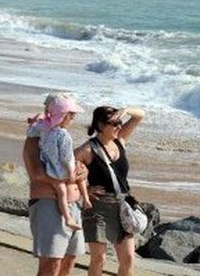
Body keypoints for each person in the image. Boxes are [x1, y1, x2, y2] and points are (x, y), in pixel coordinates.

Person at [74, 106, 145, 276]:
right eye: (114, 123)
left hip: (123, 206)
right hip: (99, 207)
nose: (119, 126)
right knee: (99, 259)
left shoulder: (120, 140)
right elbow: (63, 172)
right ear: (100, 125)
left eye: (120, 123)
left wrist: (126, 110)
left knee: (128, 258)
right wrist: (85, 189)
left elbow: (139, 116)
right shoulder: (87, 149)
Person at [23, 93, 88, 276]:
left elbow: (72, 163)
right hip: (49, 205)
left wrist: (83, 171)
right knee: (51, 264)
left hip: (73, 206)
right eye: (70, 114)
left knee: (70, 259)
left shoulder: (59, 137)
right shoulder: (35, 140)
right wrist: (69, 178)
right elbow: (36, 173)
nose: (73, 118)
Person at [29, 96, 92, 231]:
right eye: (71, 115)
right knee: (77, 176)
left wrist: (35, 120)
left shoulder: (45, 129)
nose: (73, 118)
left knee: (62, 193)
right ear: (64, 116)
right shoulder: (63, 135)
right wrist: (71, 173)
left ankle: (68, 218)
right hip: (61, 170)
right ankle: (86, 199)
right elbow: (67, 157)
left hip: (50, 168)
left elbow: (33, 128)